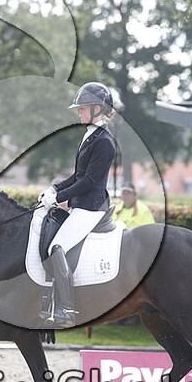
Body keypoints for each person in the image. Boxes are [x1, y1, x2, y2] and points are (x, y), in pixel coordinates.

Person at [38, 82, 118, 325]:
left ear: (97, 109)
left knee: (57, 247)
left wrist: (59, 198)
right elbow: (77, 176)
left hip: (91, 207)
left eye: (82, 108)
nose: (79, 113)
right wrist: (54, 189)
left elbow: (90, 181)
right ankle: (49, 301)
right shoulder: (91, 136)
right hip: (81, 204)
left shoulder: (104, 141)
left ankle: (67, 309)